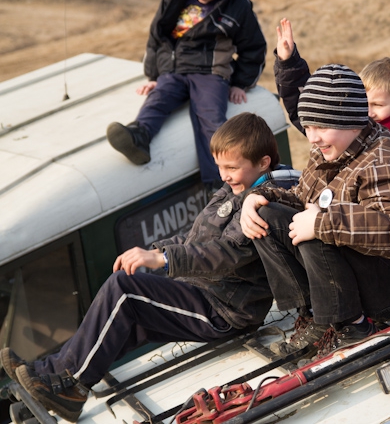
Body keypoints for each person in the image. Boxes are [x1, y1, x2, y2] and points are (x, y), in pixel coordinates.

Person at [1, 113, 296, 422]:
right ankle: (50, 373)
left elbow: (226, 253)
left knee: (124, 289)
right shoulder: (237, 188)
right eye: (219, 166)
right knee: (125, 316)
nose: (224, 175)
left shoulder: (260, 204)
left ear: (263, 163)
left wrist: (164, 259)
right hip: (203, 289)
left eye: (231, 168)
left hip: (224, 309)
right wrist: (157, 249)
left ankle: (71, 386)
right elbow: (198, 237)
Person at [239, 64, 390, 362]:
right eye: (308, 127)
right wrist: (258, 197)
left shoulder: (383, 161)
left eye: (321, 127)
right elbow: (301, 199)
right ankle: (316, 316)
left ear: (351, 122)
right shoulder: (329, 149)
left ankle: (353, 325)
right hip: (352, 274)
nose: (312, 137)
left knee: (316, 227)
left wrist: (323, 221)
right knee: (268, 216)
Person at [106, 0, 267, 190]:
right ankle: (138, 137)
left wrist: (240, 83)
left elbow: (254, 47)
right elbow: (157, 35)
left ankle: (220, 184)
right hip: (175, 68)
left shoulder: (237, 5)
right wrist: (154, 76)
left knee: (211, 120)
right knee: (158, 99)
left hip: (211, 73)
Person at [272, 18, 390, 198]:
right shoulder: (355, 126)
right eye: (365, 102)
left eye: (377, 105)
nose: (369, 111)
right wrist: (289, 64)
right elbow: (313, 109)